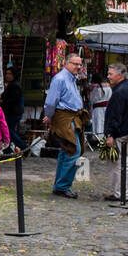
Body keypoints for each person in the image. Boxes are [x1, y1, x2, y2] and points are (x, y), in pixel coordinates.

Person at [42, 53, 88, 198]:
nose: (79, 67)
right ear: (66, 64)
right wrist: (49, 115)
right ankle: (62, 186)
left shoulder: (72, 79)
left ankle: (59, 185)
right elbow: (51, 101)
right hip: (64, 118)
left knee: (66, 150)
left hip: (73, 117)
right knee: (74, 150)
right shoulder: (60, 79)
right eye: (75, 64)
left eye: (80, 64)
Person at [103, 61, 128, 202]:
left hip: (120, 133)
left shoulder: (119, 92)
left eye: (110, 74)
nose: (108, 76)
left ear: (119, 75)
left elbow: (115, 116)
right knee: (124, 163)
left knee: (116, 164)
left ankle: (120, 193)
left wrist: (110, 134)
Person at [0, 67, 26, 151]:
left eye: (10, 74)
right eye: (7, 73)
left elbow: (15, 99)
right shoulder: (11, 84)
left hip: (13, 113)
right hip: (11, 112)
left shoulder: (14, 85)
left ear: (14, 75)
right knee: (8, 131)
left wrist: (2, 101)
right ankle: (8, 149)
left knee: (8, 131)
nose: (7, 75)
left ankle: (23, 146)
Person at [89, 72, 112, 139]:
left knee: (98, 123)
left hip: (97, 109)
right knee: (104, 122)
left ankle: (99, 138)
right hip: (106, 108)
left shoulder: (95, 88)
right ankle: (105, 137)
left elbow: (92, 99)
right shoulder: (108, 87)